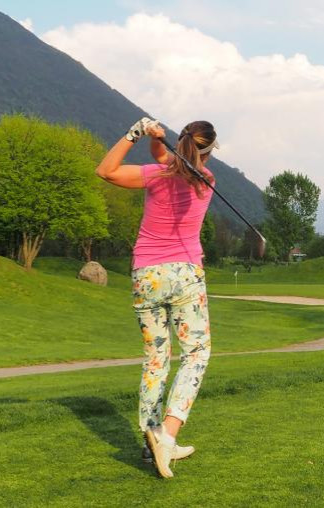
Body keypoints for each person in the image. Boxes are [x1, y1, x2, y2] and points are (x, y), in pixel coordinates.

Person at [95, 117, 218, 478]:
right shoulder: (207, 181)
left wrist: (137, 133)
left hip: (146, 275)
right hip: (185, 274)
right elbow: (171, 160)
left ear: (180, 142)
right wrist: (158, 142)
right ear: (209, 151)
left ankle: (151, 444)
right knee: (196, 353)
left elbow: (106, 171)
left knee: (155, 360)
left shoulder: (155, 174)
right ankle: (166, 435)